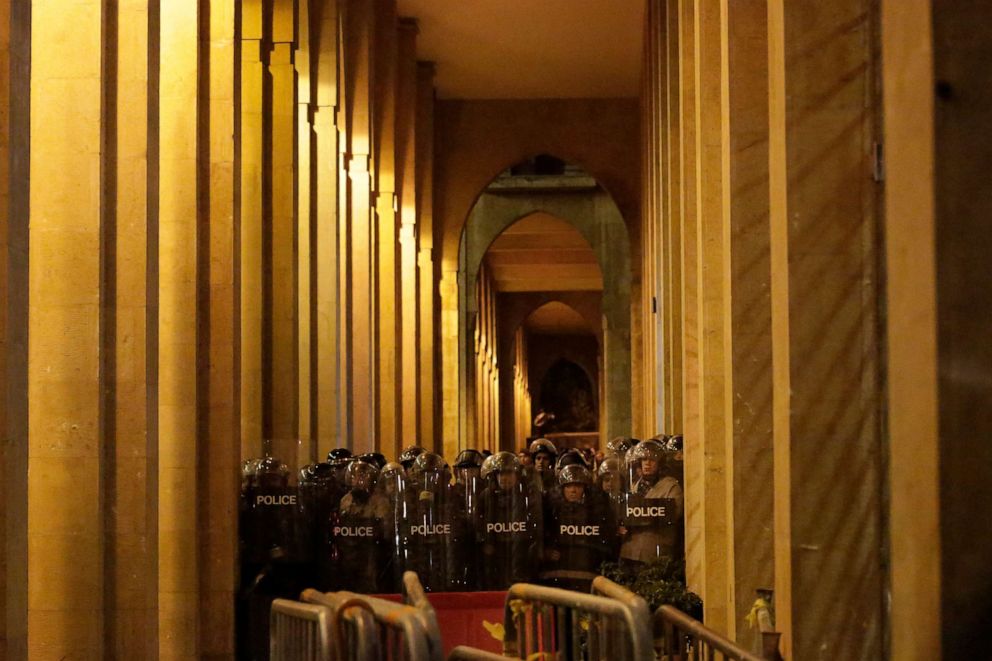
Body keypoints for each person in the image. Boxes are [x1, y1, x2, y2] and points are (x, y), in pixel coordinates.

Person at [540, 464, 615, 592]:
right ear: (562, 488)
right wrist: (546, 552)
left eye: (578, 486)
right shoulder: (551, 512)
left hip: (587, 573)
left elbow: (604, 541)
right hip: (557, 575)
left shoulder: (595, 513)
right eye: (569, 486)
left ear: (585, 488)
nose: (573, 490)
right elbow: (541, 535)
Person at [477, 451, 543, 590]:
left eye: (509, 474)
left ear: (516, 475)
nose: (504, 478)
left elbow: (535, 522)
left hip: (520, 550)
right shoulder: (486, 496)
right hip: (495, 552)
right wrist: (485, 541)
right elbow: (478, 523)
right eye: (501, 474)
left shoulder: (527, 494)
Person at [619, 441, 684, 566]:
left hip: (656, 552)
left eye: (652, 460)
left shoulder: (671, 487)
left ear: (660, 464)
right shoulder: (635, 486)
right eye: (644, 460)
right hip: (630, 552)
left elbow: (674, 515)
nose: (647, 463)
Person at [331, 459, 390, 592]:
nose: (358, 481)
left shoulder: (379, 500)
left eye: (363, 477)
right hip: (349, 550)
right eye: (356, 477)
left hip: (370, 551)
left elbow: (384, 530)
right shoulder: (346, 499)